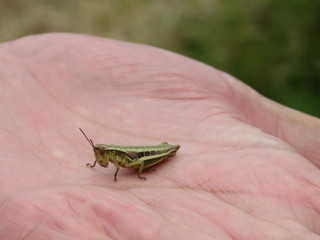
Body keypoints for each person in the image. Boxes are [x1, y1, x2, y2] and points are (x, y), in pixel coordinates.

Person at [0, 33, 319, 239]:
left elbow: (127, 163)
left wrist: (133, 173)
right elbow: (104, 163)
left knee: (144, 158)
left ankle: (158, 156)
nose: (101, 157)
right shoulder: (106, 157)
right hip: (135, 153)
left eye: (101, 153)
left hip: (151, 154)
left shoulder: (120, 159)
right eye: (99, 154)